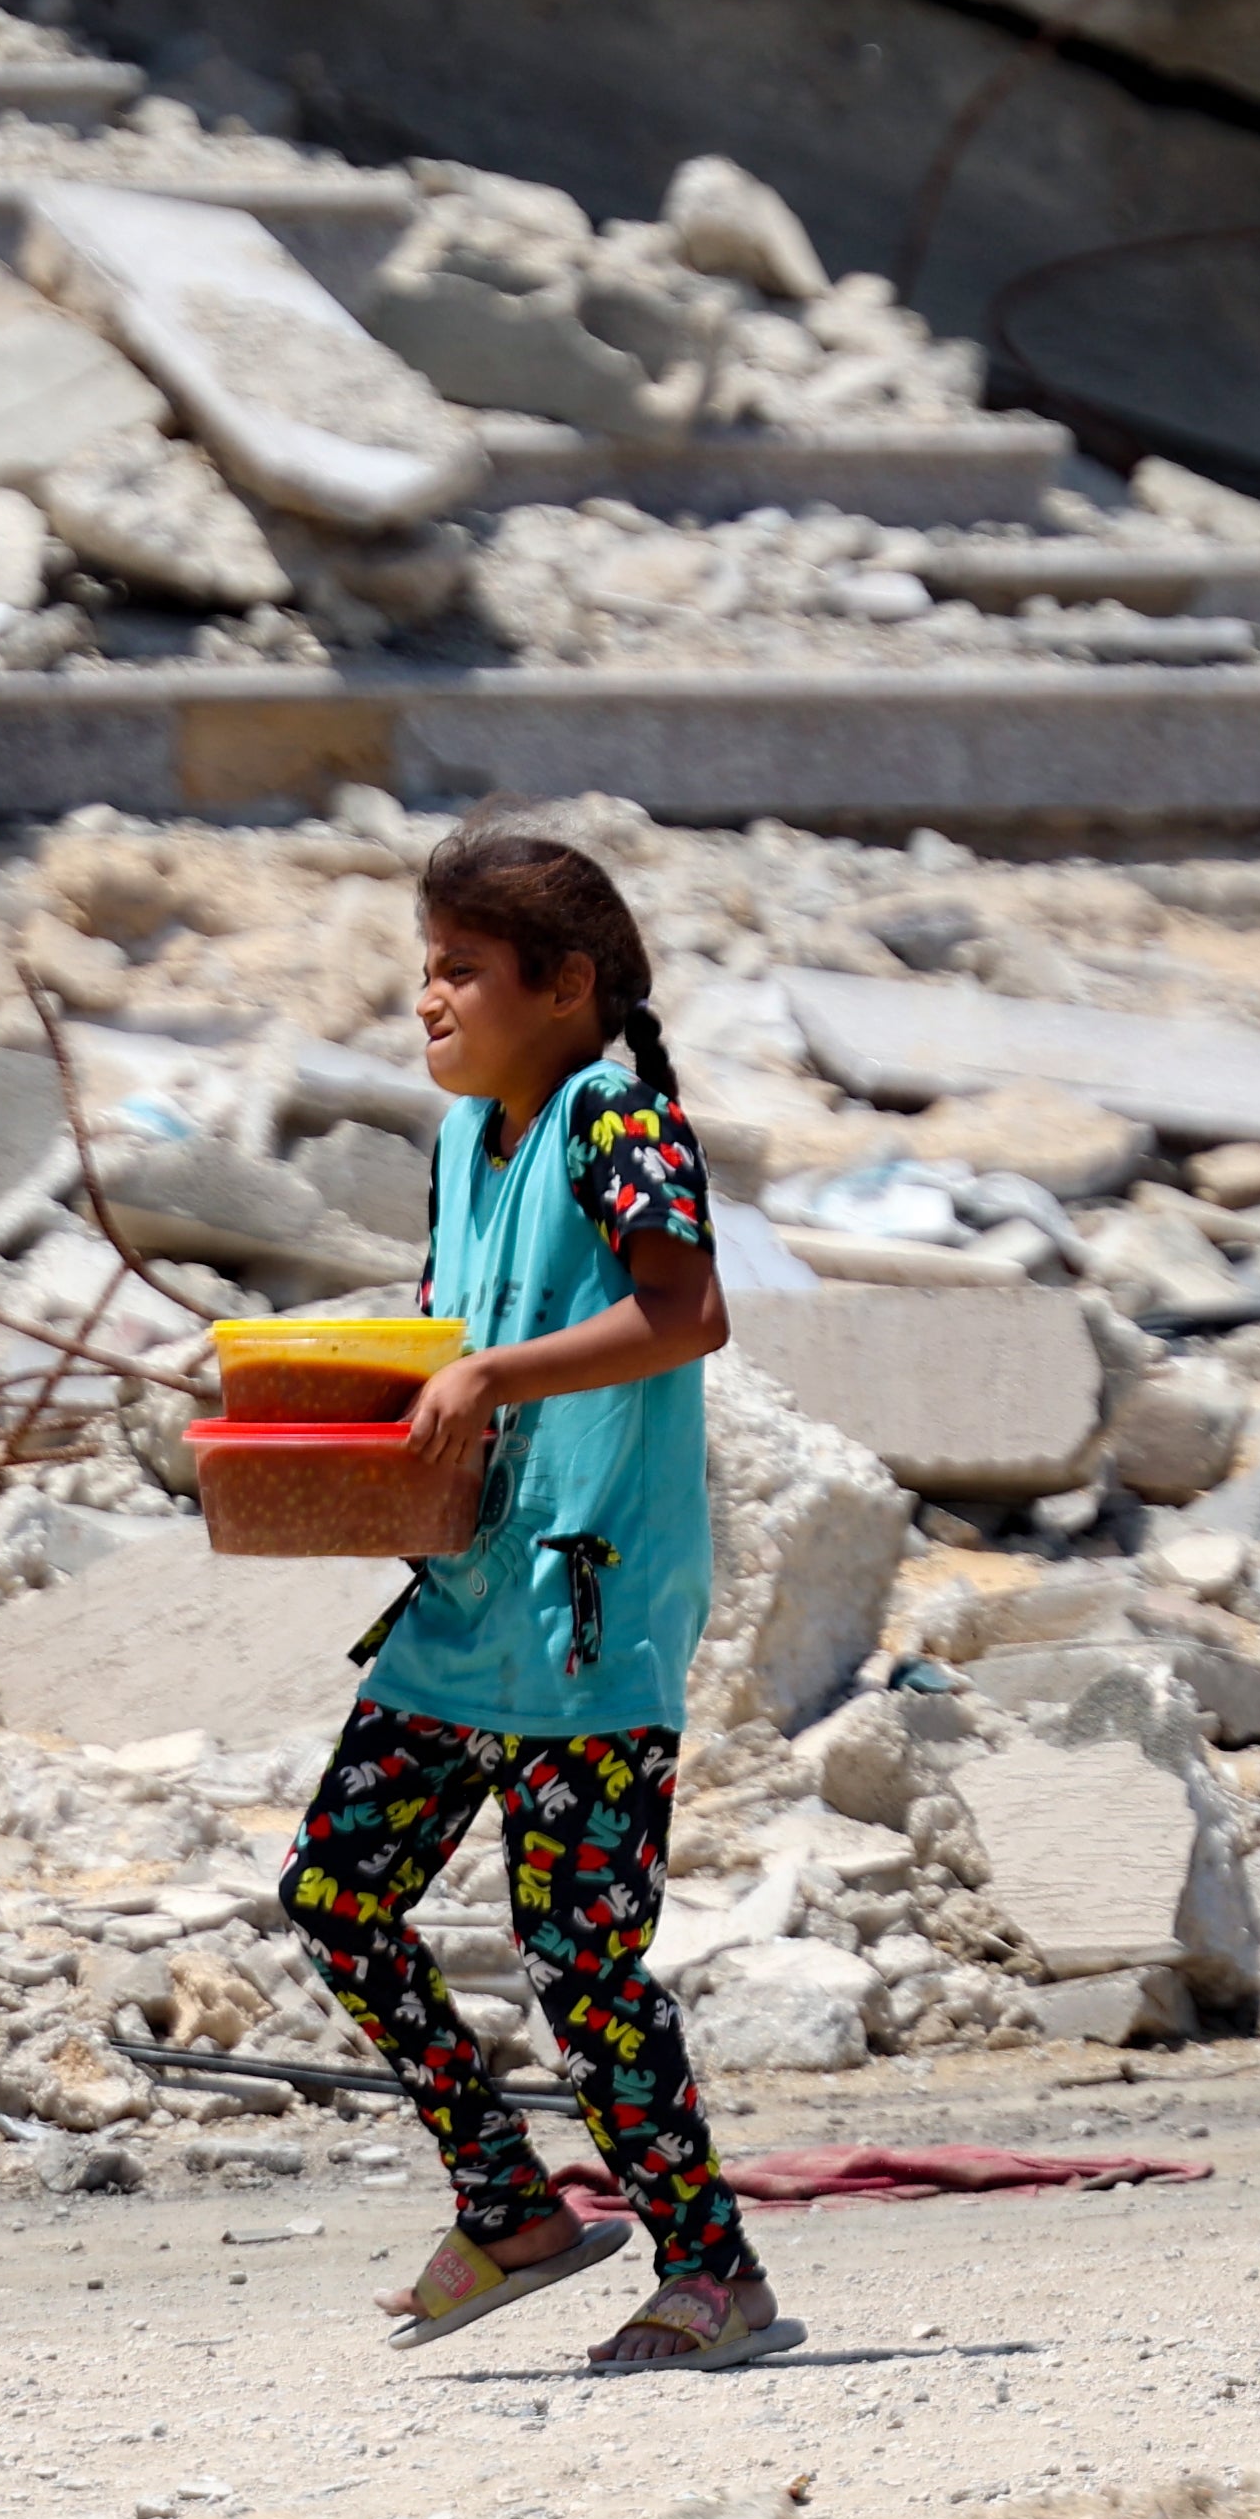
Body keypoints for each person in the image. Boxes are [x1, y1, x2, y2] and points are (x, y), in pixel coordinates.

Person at [271, 813, 790, 2374]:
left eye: (458, 973)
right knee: (335, 1894)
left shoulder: (613, 1118)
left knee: (579, 1958)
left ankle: (712, 2273)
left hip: (589, 1603)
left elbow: (682, 1312)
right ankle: (507, 2206)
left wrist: (492, 1373)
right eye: (421, 974)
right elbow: (461, 1343)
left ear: (561, 985)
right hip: (465, 1599)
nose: (426, 1003)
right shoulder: (461, 1143)